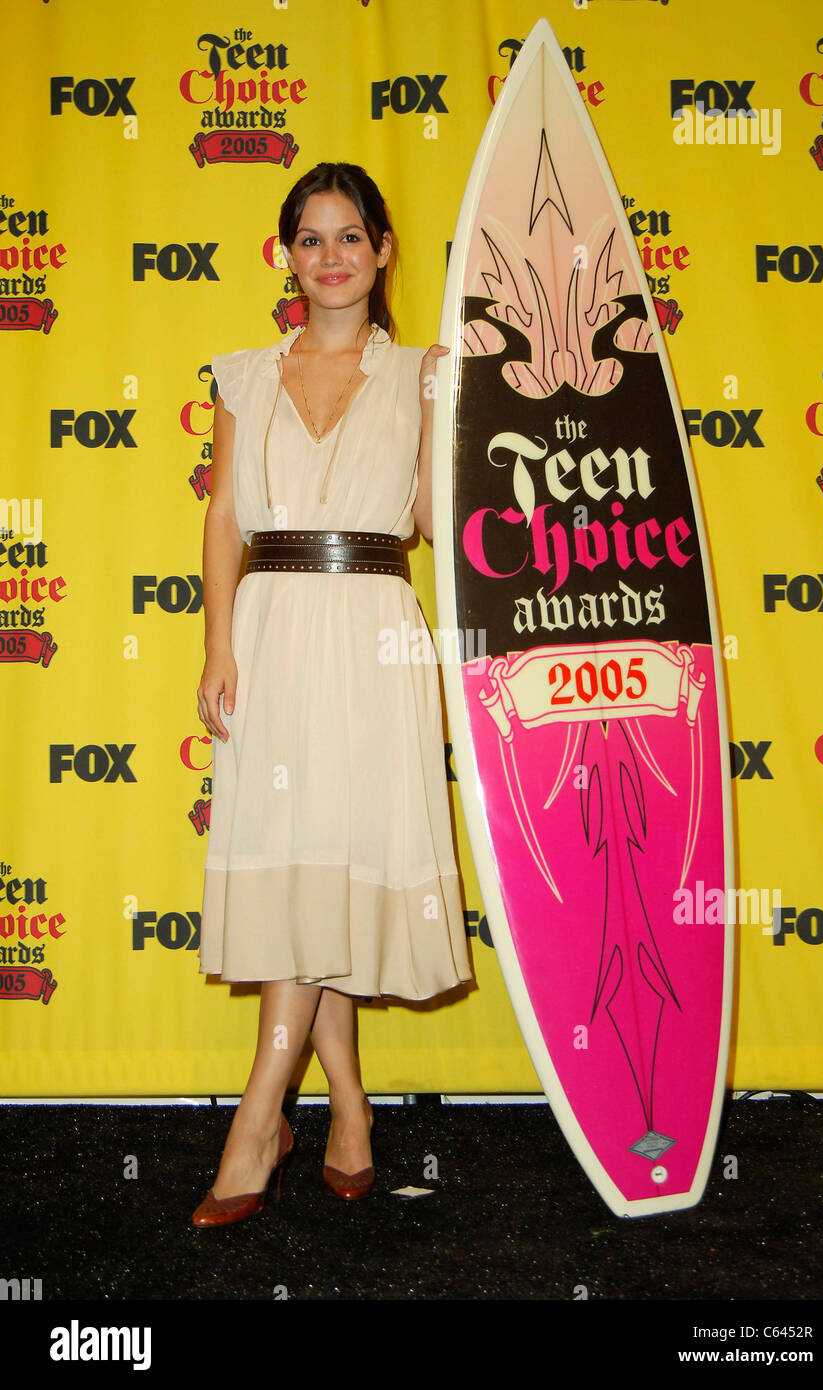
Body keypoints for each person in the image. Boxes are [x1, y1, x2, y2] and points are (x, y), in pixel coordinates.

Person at [191, 161, 474, 1227]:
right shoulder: (241, 376)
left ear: (383, 249)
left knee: (337, 868)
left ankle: (260, 1113)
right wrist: (219, 644)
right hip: (268, 629)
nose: (330, 256)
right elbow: (223, 517)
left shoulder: (425, 375)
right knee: (298, 872)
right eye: (309, 238)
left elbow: (445, 526)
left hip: (371, 632)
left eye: (349, 235)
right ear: (287, 255)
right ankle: (345, 1104)